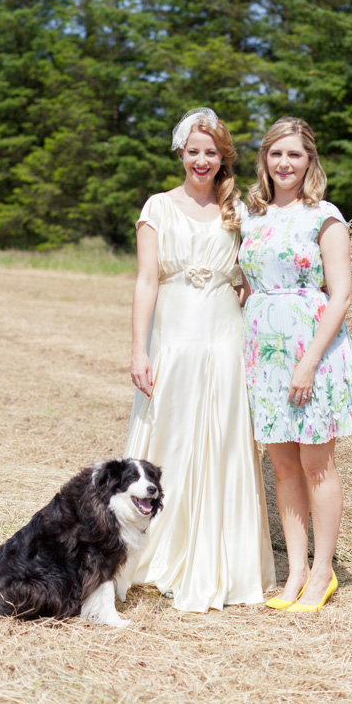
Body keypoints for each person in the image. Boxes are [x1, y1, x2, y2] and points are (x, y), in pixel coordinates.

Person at [124, 107, 275, 613]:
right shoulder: (157, 208)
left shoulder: (240, 211)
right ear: (181, 154)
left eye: (211, 152)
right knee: (174, 439)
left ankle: (223, 561)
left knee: (224, 441)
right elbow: (146, 281)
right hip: (174, 339)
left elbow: (252, 276)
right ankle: (159, 555)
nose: (202, 160)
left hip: (225, 339)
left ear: (222, 156)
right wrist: (139, 349)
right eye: (194, 151)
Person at [238, 117, 352, 613]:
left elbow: (340, 296)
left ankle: (322, 573)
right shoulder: (250, 216)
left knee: (316, 463)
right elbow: (250, 283)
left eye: (295, 154)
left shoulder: (324, 216)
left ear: (309, 160)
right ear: (264, 160)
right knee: (283, 465)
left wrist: (309, 362)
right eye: (276, 154)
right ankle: (293, 572)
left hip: (312, 352)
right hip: (262, 353)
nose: (285, 163)